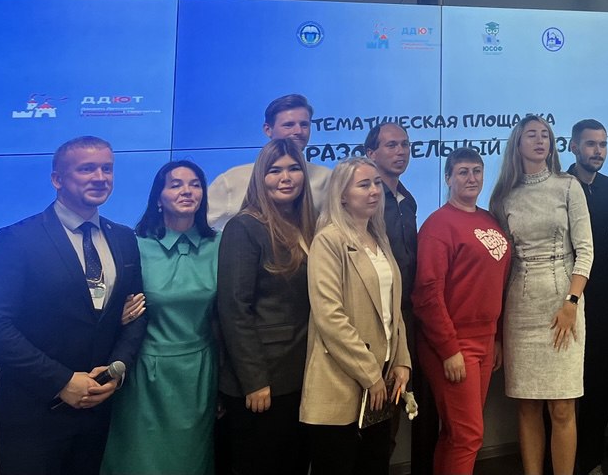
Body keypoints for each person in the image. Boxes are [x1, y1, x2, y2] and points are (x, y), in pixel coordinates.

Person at [0, 136, 147, 475]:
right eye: (87, 169)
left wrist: (116, 370)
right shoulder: (16, 239)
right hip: (33, 412)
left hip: (98, 410)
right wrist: (62, 381)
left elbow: (136, 313)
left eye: (107, 169)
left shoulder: (124, 238)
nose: (100, 177)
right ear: (57, 179)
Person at [489, 115, 594, 475]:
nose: (539, 141)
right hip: (520, 309)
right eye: (531, 135)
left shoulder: (568, 186)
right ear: (517, 144)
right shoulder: (503, 195)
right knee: (527, 406)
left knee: (562, 407)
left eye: (545, 135)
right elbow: (502, 263)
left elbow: (585, 251)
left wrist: (571, 302)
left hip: (563, 303)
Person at [103, 160, 221, 475]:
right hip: (145, 373)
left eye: (195, 184)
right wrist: (116, 316)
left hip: (199, 372)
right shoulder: (133, 246)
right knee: (140, 461)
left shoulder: (220, 244)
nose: (187, 191)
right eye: (176, 184)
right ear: (158, 197)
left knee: (191, 461)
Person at [300, 157, 411, 475]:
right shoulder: (329, 240)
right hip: (341, 380)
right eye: (364, 185)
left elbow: (393, 309)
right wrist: (370, 374)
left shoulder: (379, 239)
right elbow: (329, 317)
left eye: (376, 183)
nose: (374, 190)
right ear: (342, 195)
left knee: (375, 464)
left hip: (381, 381)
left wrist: (402, 360)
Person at [216, 138, 317, 475]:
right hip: (264, 379)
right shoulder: (244, 227)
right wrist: (255, 380)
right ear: (261, 177)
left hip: (301, 373)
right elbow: (234, 309)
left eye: (293, 169)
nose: (285, 178)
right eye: (274, 170)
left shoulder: (308, 225)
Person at [413, 147, 512, 475]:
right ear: (448, 178)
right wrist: (449, 349)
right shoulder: (438, 226)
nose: (472, 178)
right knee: (469, 435)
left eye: (477, 171)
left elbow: (497, 283)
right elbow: (427, 294)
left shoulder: (488, 219)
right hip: (454, 344)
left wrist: (496, 338)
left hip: (485, 341)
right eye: (463, 172)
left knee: (457, 435)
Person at [363, 121, 436, 473]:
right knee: (375, 417)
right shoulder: (366, 201)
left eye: (405, 144)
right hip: (376, 319)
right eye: (391, 145)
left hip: (409, 316)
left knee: (404, 405)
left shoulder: (409, 199)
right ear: (371, 153)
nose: (401, 151)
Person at [566, 119, 608, 475]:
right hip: (568, 298)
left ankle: (592, 461)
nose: (597, 151)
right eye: (590, 144)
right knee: (565, 389)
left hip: (604, 300)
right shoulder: (560, 185)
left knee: (600, 384)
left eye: (602, 144)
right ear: (574, 146)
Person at [208, 94, 332, 229]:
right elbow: (204, 229)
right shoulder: (231, 180)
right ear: (268, 130)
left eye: (304, 125)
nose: (298, 131)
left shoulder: (326, 178)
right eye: (288, 125)